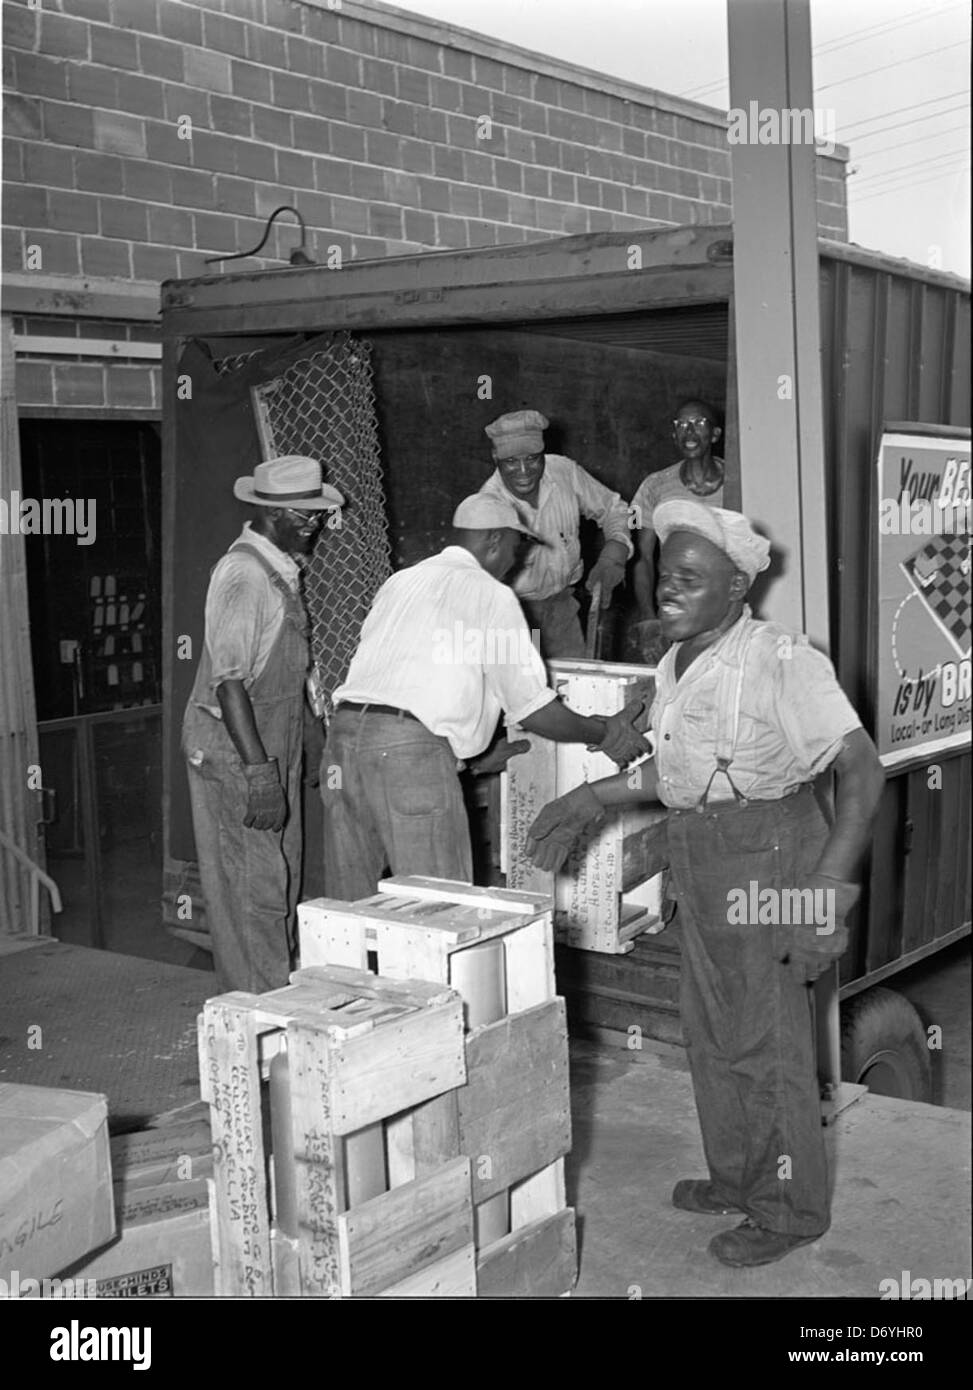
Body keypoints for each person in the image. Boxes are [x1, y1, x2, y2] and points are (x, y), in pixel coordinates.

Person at [526, 499, 886, 1268]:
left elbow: (860, 768)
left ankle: (788, 1210)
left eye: (691, 578)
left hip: (774, 855)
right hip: (708, 852)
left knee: (768, 1039)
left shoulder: (780, 659)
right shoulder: (676, 660)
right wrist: (592, 798)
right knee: (712, 1031)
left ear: (735, 590)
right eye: (665, 572)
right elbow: (687, 771)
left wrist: (827, 893)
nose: (667, 589)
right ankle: (738, 1177)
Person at [320, 493, 650, 902]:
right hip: (407, 757)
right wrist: (604, 733)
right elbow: (534, 710)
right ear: (494, 540)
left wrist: (468, 755)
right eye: (517, 547)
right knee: (437, 910)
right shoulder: (491, 594)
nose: (518, 560)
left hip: (342, 747)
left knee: (347, 909)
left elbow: (404, 687)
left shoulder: (402, 581)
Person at [181, 456, 343, 993]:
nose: (315, 526)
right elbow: (229, 685)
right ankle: (259, 1030)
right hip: (237, 756)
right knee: (255, 894)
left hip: (275, 747)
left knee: (281, 878)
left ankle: (278, 1008)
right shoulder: (244, 575)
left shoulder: (280, 569)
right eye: (307, 517)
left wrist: (312, 740)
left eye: (317, 516)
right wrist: (258, 774)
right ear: (271, 514)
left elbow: (285, 673)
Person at [477, 409, 633, 658]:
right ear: (495, 456)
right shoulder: (488, 507)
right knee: (530, 691)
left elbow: (617, 508)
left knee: (577, 689)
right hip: (515, 617)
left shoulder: (563, 472)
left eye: (532, 458)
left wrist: (616, 549)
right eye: (510, 462)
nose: (524, 470)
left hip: (562, 608)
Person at [630, 399, 725, 662]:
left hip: (722, 606)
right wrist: (649, 617)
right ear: (674, 436)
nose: (690, 432)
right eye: (681, 425)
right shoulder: (654, 486)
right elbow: (642, 556)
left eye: (699, 423)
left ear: (715, 434)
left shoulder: (739, 482)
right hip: (675, 603)